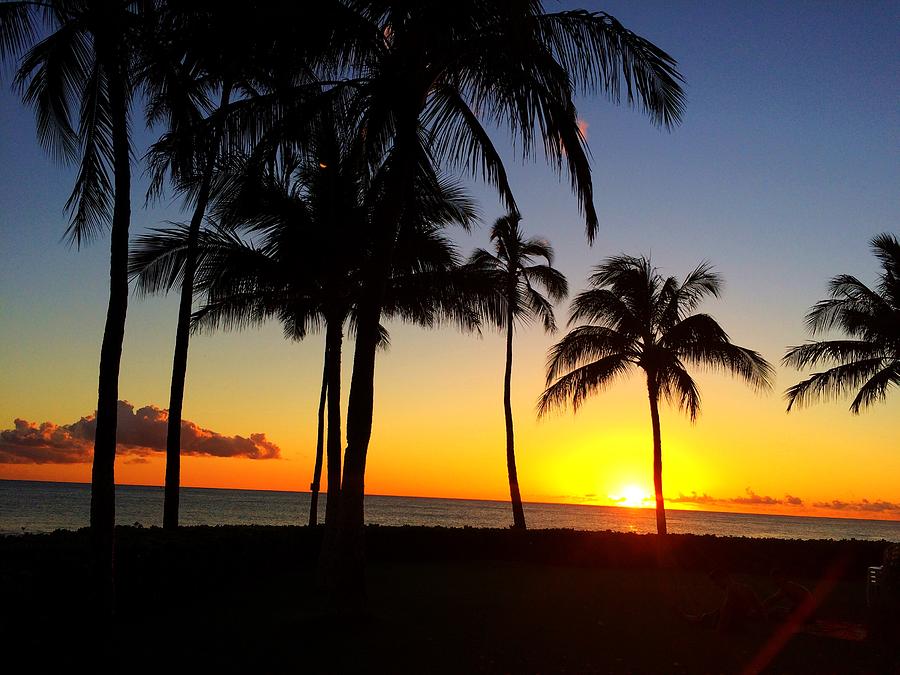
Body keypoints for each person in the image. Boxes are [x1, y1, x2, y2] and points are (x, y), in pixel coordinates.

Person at [686, 569, 764, 631]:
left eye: (717, 582)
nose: (717, 586)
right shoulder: (744, 587)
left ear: (723, 578)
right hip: (747, 620)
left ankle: (695, 619)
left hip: (739, 623)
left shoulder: (731, 590)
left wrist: (719, 630)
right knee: (716, 612)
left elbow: (726, 612)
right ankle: (696, 618)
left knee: (713, 616)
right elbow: (758, 606)